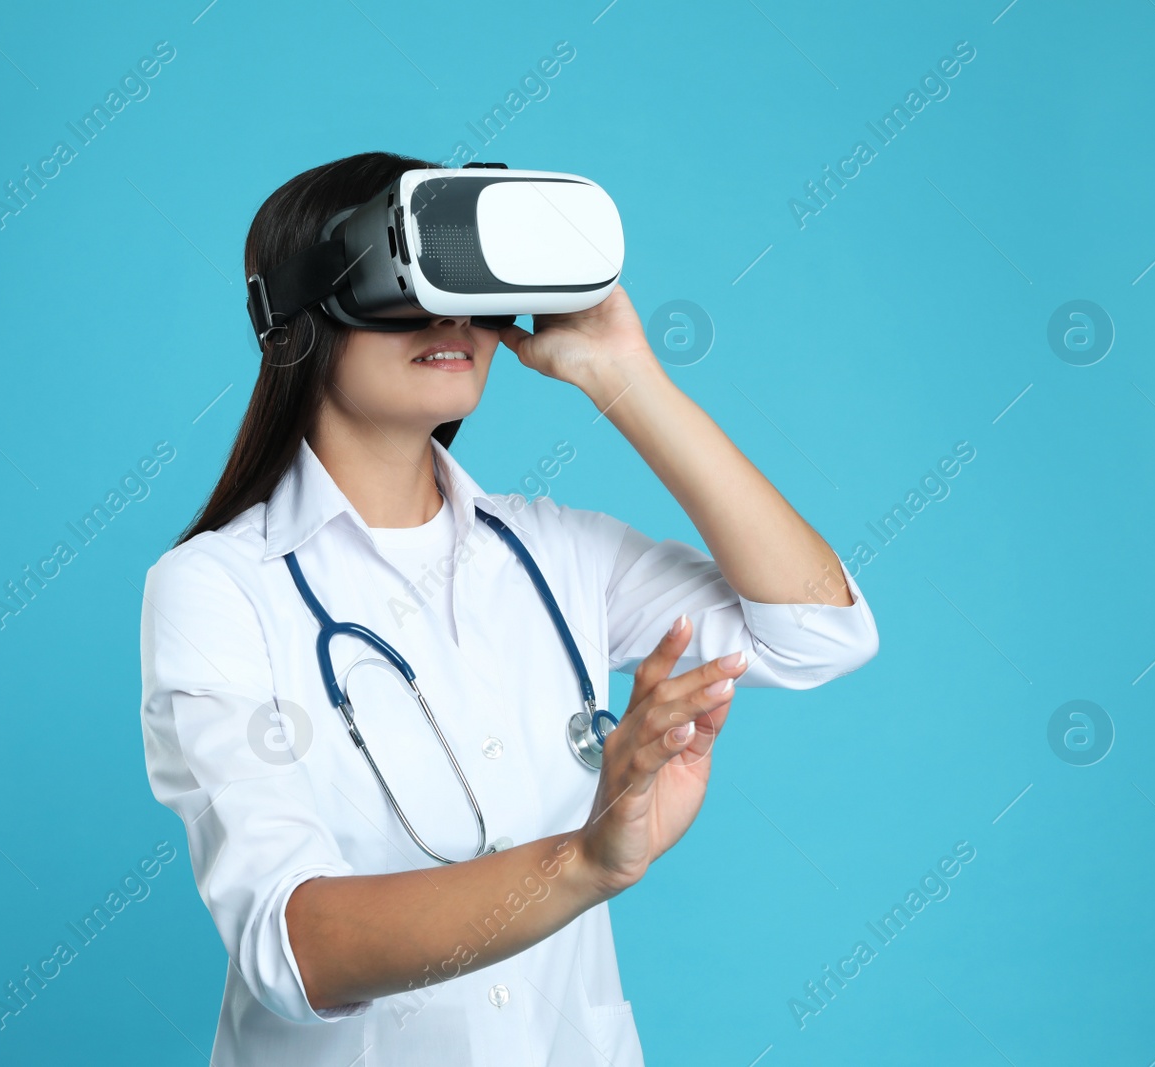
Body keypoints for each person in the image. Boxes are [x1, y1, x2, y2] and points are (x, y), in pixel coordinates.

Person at [138, 151, 879, 1067]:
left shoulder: (554, 552)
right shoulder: (217, 588)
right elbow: (295, 949)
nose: (453, 315)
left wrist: (625, 372)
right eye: (408, 276)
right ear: (299, 315)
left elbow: (820, 630)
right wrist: (583, 860)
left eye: (474, 283)